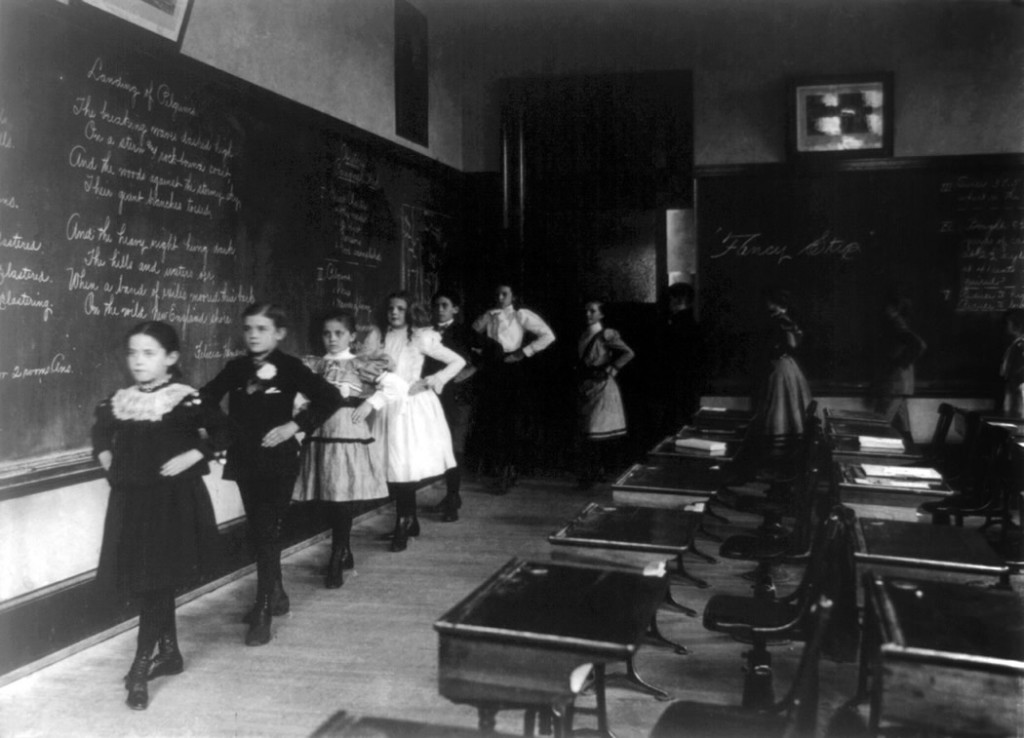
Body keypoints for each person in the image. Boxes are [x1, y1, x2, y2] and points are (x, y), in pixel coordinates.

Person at [92, 321, 232, 711]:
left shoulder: (185, 399)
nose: (138, 360)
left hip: (172, 502)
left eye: (148, 353)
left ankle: (140, 668)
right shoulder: (119, 400)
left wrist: (195, 454)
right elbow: (100, 435)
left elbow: (225, 432)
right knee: (151, 579)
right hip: (132, 502)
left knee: (157, 579)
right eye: (133, 352)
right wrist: (108, 462)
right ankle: (169, 653)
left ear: (171, 358)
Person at [201, 303, 342, 646]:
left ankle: (263, 609)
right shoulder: (236, 368)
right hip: (245, 459)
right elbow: (204, 399)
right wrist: (224, 431)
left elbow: (331, 398)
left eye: (261, 329)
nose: (253, 334)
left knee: (267, 530)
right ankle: (275, 593)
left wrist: (294, 425)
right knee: (259, 529)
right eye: (248, 328)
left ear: (278, 334)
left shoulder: (291, 367)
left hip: (279, 460)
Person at [292, 310, 406, 588]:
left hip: (347, 434)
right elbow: (297, 397)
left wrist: (370, 403)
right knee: (328, 494)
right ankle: (343, 548)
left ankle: (338, 553)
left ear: (352, 336)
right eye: (327, 334)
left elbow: (398, 386)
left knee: (342, 495)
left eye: (338, 333)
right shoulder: (313, 365)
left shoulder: (360, 364)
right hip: (320, 435)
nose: (332, 339)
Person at [377, 292, 466, 551]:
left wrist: (430, 381)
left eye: (400, 309)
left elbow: (457, 360)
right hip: (387, 405)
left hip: (410, 408)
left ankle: (404, 520)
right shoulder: (382, 337)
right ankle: (409, 519)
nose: (394, 313)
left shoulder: (419, 337)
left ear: (409, 312)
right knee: (393, 466)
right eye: (391, 308)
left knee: (404, 465)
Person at [424, 288, 502, 521]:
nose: (440, 310)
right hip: (433, 396)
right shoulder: (425, 333)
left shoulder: (463, 331)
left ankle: (452, 499)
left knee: (454, 447)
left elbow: (495, 350)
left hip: (458, 397)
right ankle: (451, 496)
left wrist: (472, 368)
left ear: (455, 310)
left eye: (445, 305)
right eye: (436, 305)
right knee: (438, 447)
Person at [471, 282, 556, 492]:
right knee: (493, 419)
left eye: (504, 294)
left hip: (511, 370)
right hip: (491, 368)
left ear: (513, 296)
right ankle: (499, 468)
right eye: (497, 294)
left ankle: (509, 470)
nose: (500, 298)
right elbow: (472, 333)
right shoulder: (489, 315)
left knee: (510, 419)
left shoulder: (520, 315)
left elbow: (548, 336)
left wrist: (523, 353)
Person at [576, 300, 635, 488]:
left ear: (601, 315)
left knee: (595, 432)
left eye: (592, 311)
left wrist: (613, 368)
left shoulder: (606, 335)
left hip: (603, 387)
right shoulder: (585, 334)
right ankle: (593, 472)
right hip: (588, 385)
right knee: (588, 431)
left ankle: (593, 473)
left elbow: (628, 353)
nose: (587, 314)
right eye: (586, 310)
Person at [752, 288, 812, 437]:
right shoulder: (777, 318)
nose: (766, 304)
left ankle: (780, 439)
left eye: (769, 301)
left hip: (781, 367)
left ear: (776, 303)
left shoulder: (783, 319)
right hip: (779, 366)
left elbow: (793, 345)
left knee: (781, 408)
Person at [872, 295, 927, 436]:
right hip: (900, 381)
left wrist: (899, 363)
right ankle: (911, 448)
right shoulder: (897, 324)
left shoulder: (897, 324)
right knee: (902, 419)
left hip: (897, 381)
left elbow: (919, 345)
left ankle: (878, 449)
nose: (886, 310)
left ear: (895, 309)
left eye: (890, 308)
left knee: (884, 419)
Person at [662, 282, 704, 433]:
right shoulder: (691, 324)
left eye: (670, 299)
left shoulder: (677, 326)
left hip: (678, 381)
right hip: (689, 381)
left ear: (677, 300)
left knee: (677, 422)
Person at [1000, 308, 1024, 418]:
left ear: (1017, 325)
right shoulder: (1016, 343)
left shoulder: (1021, 345)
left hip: (1019, 388)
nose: (1007, 326)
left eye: (1009, 323)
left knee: (1017, 416)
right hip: (1013, 386)